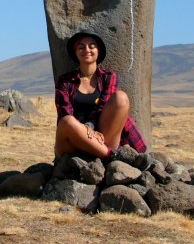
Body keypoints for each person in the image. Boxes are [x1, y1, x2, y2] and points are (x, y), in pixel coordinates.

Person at [53, 31, 147, 159]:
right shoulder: (65, 81)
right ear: (75, 53)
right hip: (73, 143)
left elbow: (102, 106)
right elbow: (65, 112)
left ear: (98, 51)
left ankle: (101, 154)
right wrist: (85, 129)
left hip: (102, 137)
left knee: (121, 98)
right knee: (67, 121)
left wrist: (91, 126)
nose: (87, 50)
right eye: (81, 47)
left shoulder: (108, 77)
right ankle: (110, 157)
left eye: (92, 46)